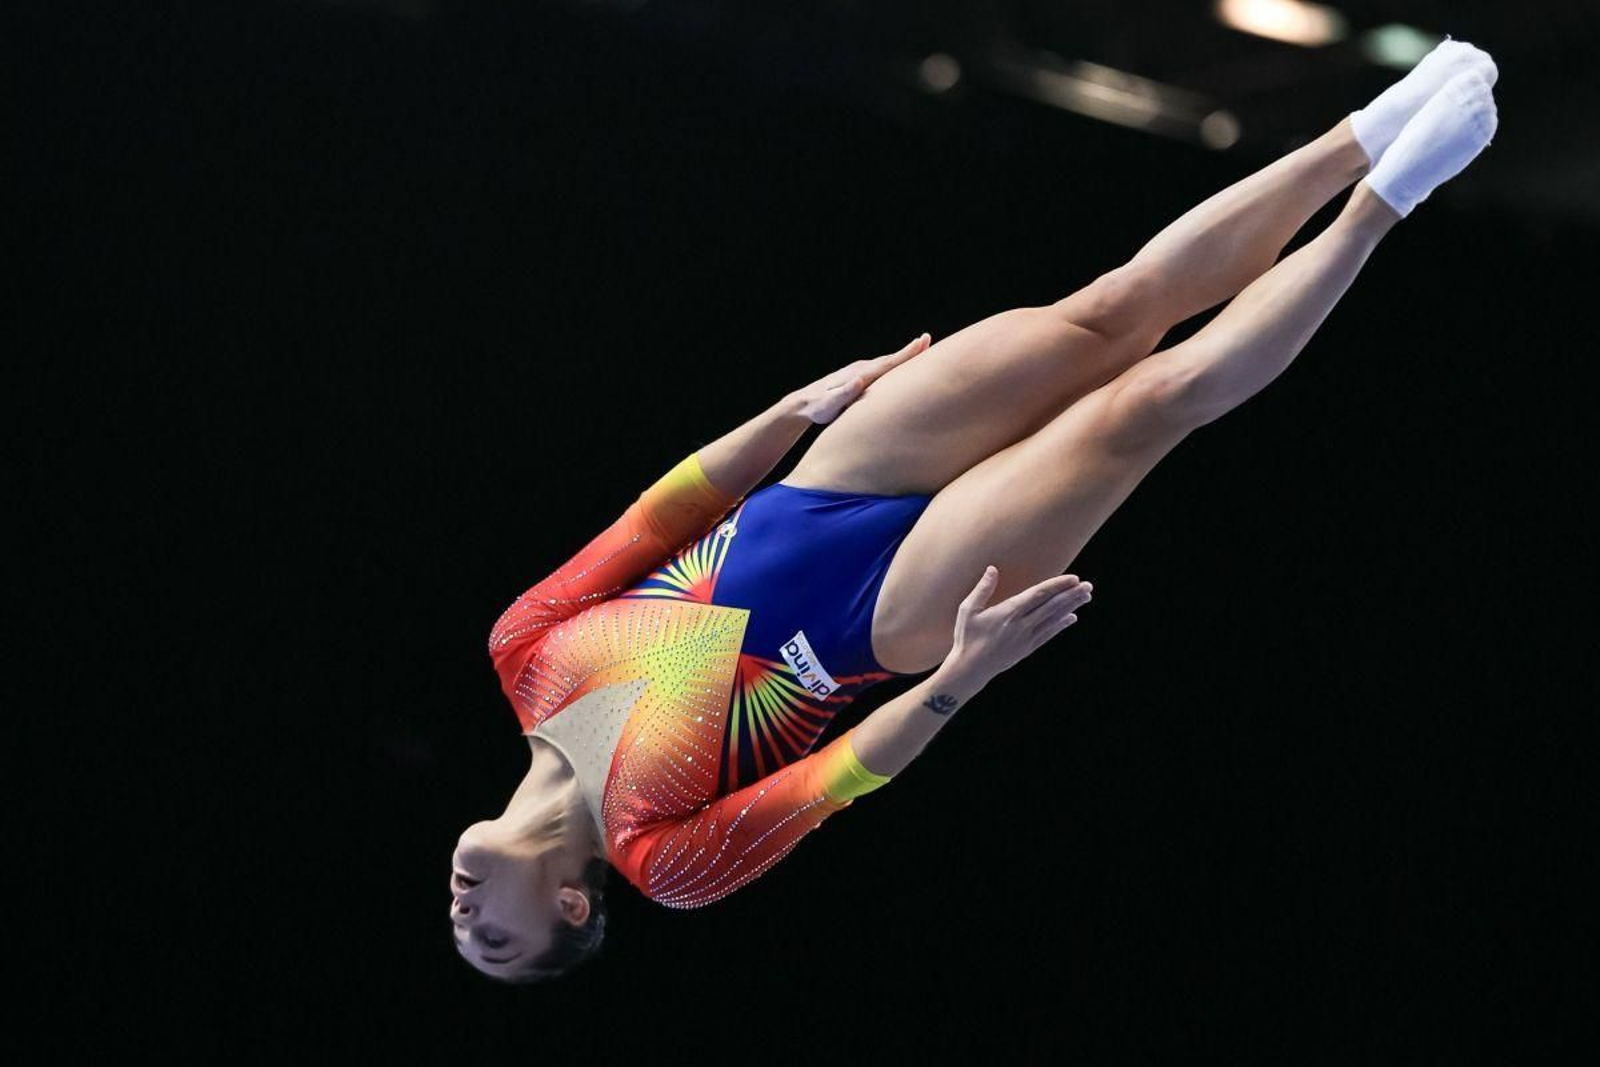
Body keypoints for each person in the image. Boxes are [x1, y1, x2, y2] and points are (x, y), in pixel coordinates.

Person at [449, 39, 1499, 982]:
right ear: (571, 905)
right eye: (494, 938)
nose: (463, 912)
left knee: (1110, 311)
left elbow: (657, 516)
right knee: (1143, 406)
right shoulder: (664, 861)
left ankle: (1363, 133)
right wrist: (960, 676)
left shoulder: (522, 652)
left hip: (826, 483)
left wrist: (792, 410)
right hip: (878, 617)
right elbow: (840, 775)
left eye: (463, 925)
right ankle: (1387, 198)